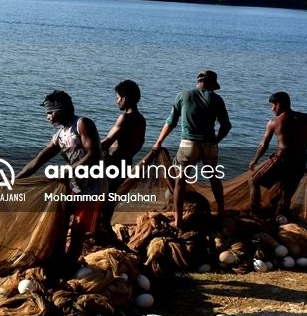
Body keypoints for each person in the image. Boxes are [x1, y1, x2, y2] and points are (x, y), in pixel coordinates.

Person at [18, 90, 104, 245]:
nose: (48, 117)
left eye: (50, 113)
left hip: (93, 187)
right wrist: (15, 180)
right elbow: (38, 160)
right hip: (74, 185)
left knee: (78, 233)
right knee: (60, 225)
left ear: (58, 111)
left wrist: (69, 170)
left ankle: (68, 268)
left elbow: (94, 155)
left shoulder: (82, 124)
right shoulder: (59, 136)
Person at [148, 70, 231, 229]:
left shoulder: (182, 95)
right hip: (209, 145)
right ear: (212, 83)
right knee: (213, 177)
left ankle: (178, 221)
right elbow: (226, 126)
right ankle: (221, 212)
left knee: (180, 181)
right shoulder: (216, 98)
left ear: (199, 81)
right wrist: (215, 141)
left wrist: (158, 142)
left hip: (188, 144)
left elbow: (171, 122)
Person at [248, 92, 307, 219]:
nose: (272, 109)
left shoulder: (274, 122)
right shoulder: (305, 118)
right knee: (287, 193)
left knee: (253, 181)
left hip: (283, 157)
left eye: (272, 105)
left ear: (279, 105)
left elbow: (263, 145)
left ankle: (254, 213)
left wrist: (254, 160)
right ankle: (278, 217)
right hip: (301, 159)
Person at [99, 80, 146, 228]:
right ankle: (104, 225)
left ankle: (100, 226)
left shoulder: (125, 118)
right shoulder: (141, 120)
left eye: (118, 98)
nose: (117, 101)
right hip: (126, 163)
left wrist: (86, 148)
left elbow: (107, 141)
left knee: (100, 195)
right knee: (110, 196)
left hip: (113, 163)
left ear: (124, 98)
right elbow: (140, 143)